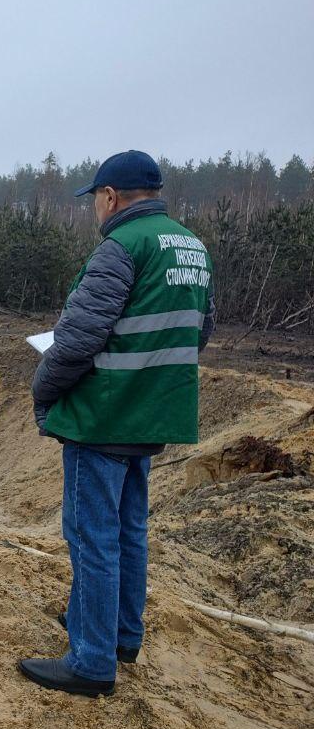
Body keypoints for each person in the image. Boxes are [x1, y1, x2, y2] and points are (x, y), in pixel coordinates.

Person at [20, 150, 214, 698]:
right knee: (128, 531)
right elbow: (198, 332)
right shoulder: (190, 247)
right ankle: (121, 634)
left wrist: (44, 390)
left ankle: (90, 661)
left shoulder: (122, 247)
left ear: (109, 197)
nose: (95, 210)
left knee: (91, 536)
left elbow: (77, 338)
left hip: (103, 416)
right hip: (151, 413)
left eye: (95, 200)